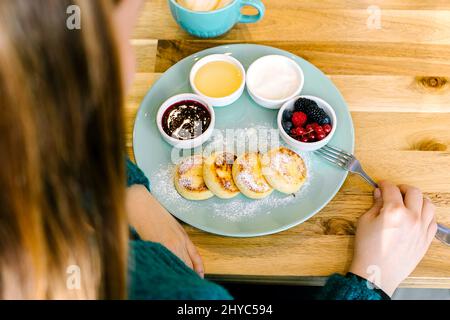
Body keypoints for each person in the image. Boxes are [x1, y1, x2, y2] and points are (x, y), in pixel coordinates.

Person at [0, 0, 437, 299]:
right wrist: (370, 281)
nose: (130, 62)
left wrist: (130, 192)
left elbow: (55, 136)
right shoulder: (168, 290)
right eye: (120, 37)